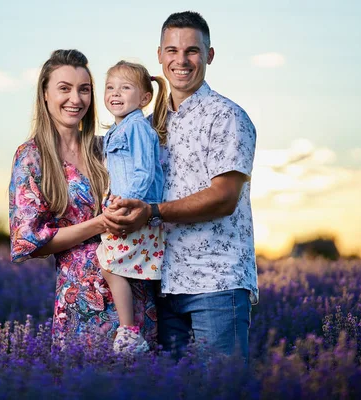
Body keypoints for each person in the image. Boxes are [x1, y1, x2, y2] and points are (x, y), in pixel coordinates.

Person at [103, 11, 258, 361]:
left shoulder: (226, 116)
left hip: (215, 284)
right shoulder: (151, 121)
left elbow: (224, 198)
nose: (181, 60)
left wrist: (152, 212)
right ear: (160, 55)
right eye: (172, 50)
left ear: (209, 55)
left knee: (220, 389)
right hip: (165, 281)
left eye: (192, 50)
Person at [8, 49, 157, 348]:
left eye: (84, 89)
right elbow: (29, 243)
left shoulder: (106, 148)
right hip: (83, 303)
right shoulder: (32, 157)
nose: (75, 99)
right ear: (45, 94)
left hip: (135, 289)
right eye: (64, 88)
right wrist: (100, 224)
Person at [95, 61, 168, 353]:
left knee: (109, 262)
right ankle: (131, 331)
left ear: (144, 98)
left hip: (134, 208)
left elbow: (144, 170)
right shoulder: (121, 127)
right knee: (113, 264)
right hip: (126, 205)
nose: (115, 93)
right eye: (110, 87)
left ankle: (129, 332)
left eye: (125, 88)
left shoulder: (136, 127)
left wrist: (130, 203)